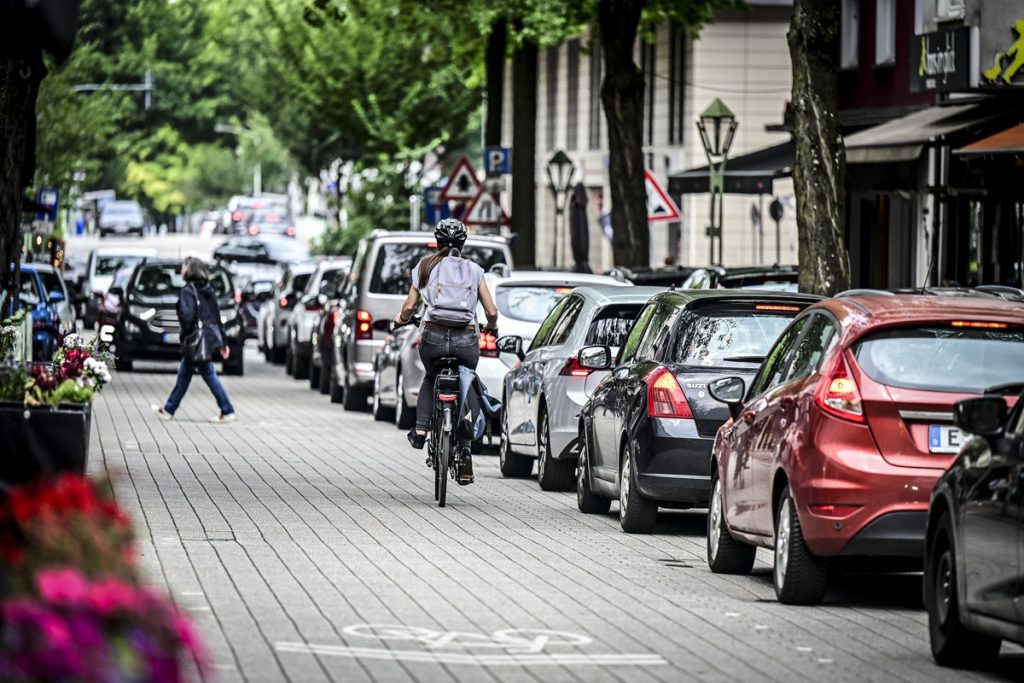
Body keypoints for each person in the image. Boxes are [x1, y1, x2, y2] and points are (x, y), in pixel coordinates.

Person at [393, 219, 499, 485]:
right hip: (466, 340)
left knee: (431, 377)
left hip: (434, 337)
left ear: (437, 242)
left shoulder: (425, 266)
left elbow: (408, 308)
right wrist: (492, 328)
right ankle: (464, 452)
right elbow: (492, 311)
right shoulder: (474, 270)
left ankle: (420, 429)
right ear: (463, 244)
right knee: (467, 383)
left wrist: (400, 320)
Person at [151, 257, 236, 423]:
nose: (181, 271)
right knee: (186, 373)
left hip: (196, 340)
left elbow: (188, 317)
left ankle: (227, 410)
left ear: (189, 271)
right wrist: (223, 341)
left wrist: (185, 334)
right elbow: (217, 316)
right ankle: (169, 409)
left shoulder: (188, 291)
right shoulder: (208, 289)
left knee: (206, 373)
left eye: (183, 268)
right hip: (209, 338)